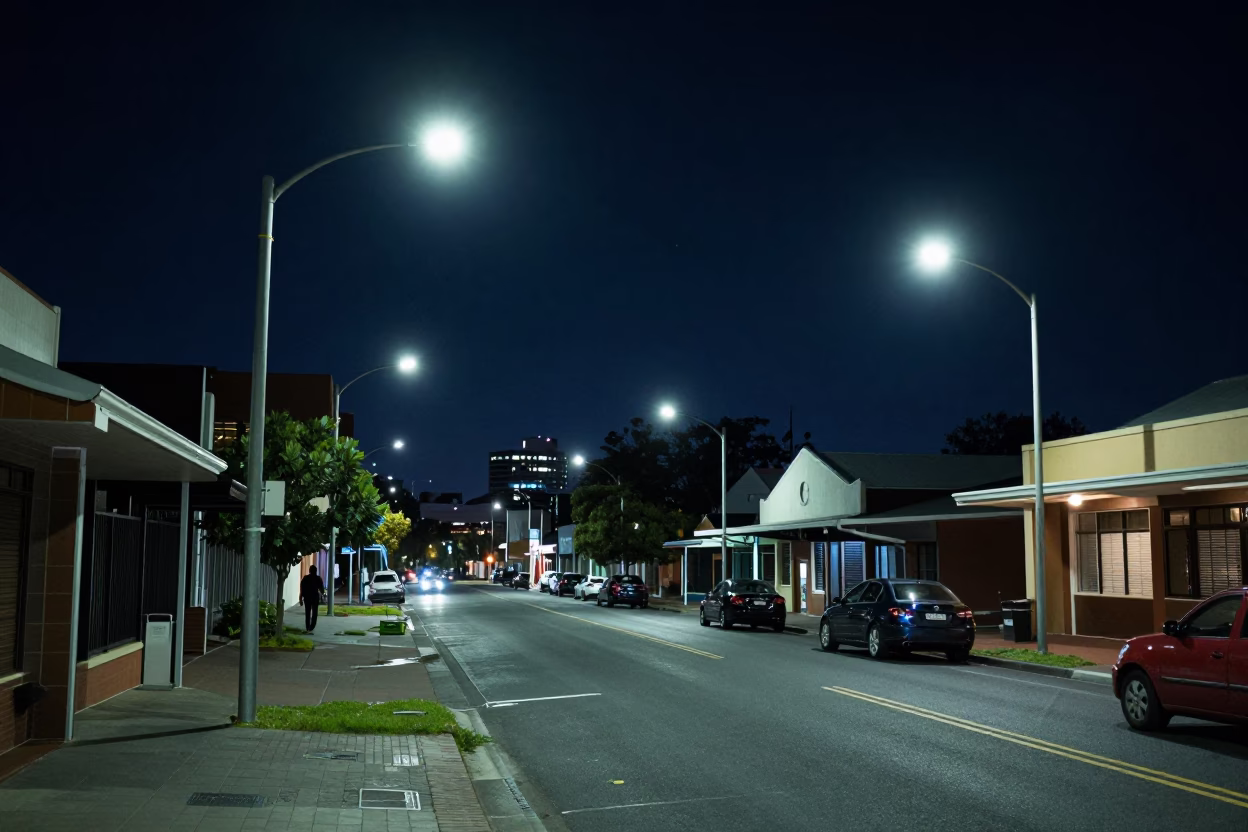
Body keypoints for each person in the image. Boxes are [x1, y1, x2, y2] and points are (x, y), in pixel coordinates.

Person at [298, 566, 326, 633]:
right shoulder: (318, 578)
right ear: (316, 571)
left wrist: (300, 599)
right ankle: (312, 626)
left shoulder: (305, 578)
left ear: (309, 570)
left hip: (307, 598)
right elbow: (322, 590)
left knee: (307, 612)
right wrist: (323, 594)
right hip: (315, 598)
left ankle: (307, 627)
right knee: (314, 613)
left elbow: (302, 589)